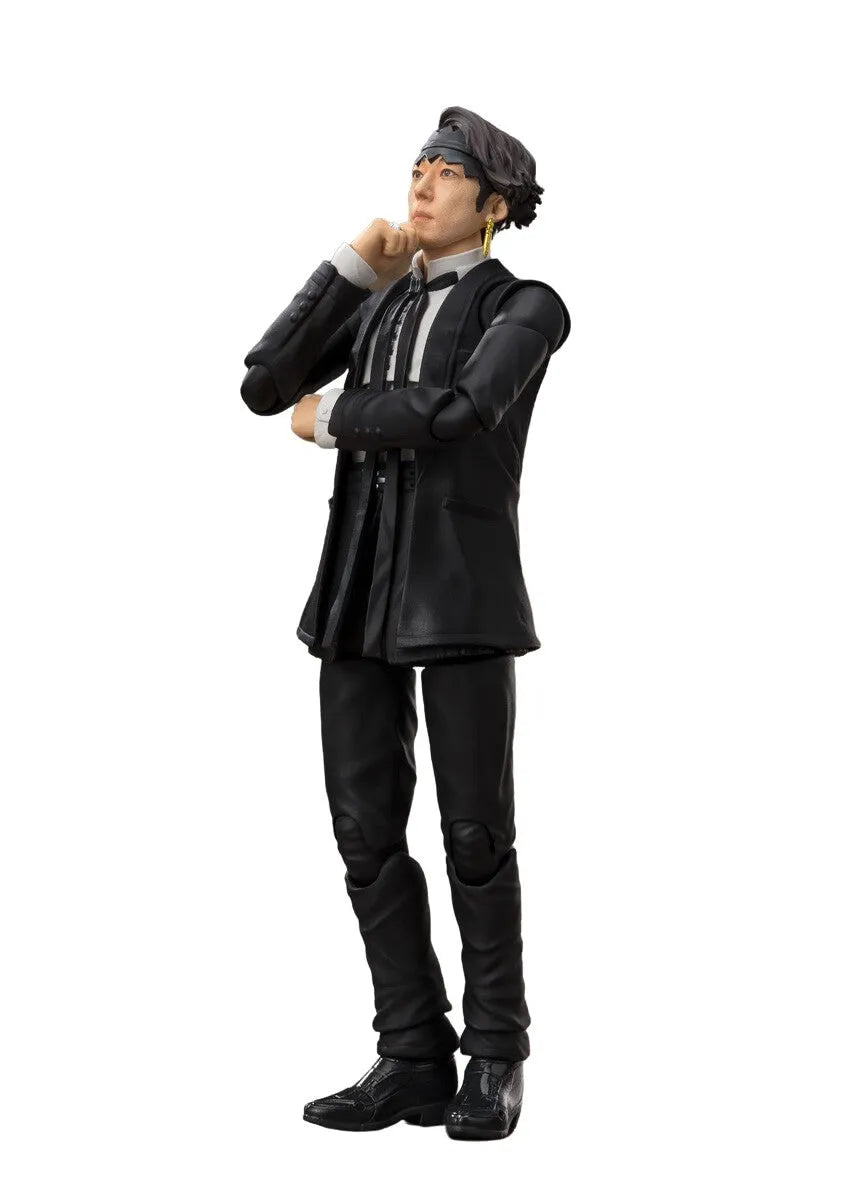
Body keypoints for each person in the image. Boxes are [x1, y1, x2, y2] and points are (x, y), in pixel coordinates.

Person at [240, 106, 571, 1139]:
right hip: (356, 588)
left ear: (494, 203)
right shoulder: (382, 304)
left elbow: (463, 412)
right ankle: (411, 1052)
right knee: (364, 833)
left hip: (459, 589)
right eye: (417, 166)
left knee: (474, 833)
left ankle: (496, 1053)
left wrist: (333, 418)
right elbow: (263, 384)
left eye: (447, 172)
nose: (421, 184)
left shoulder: (525, 305)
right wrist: (350, 267)